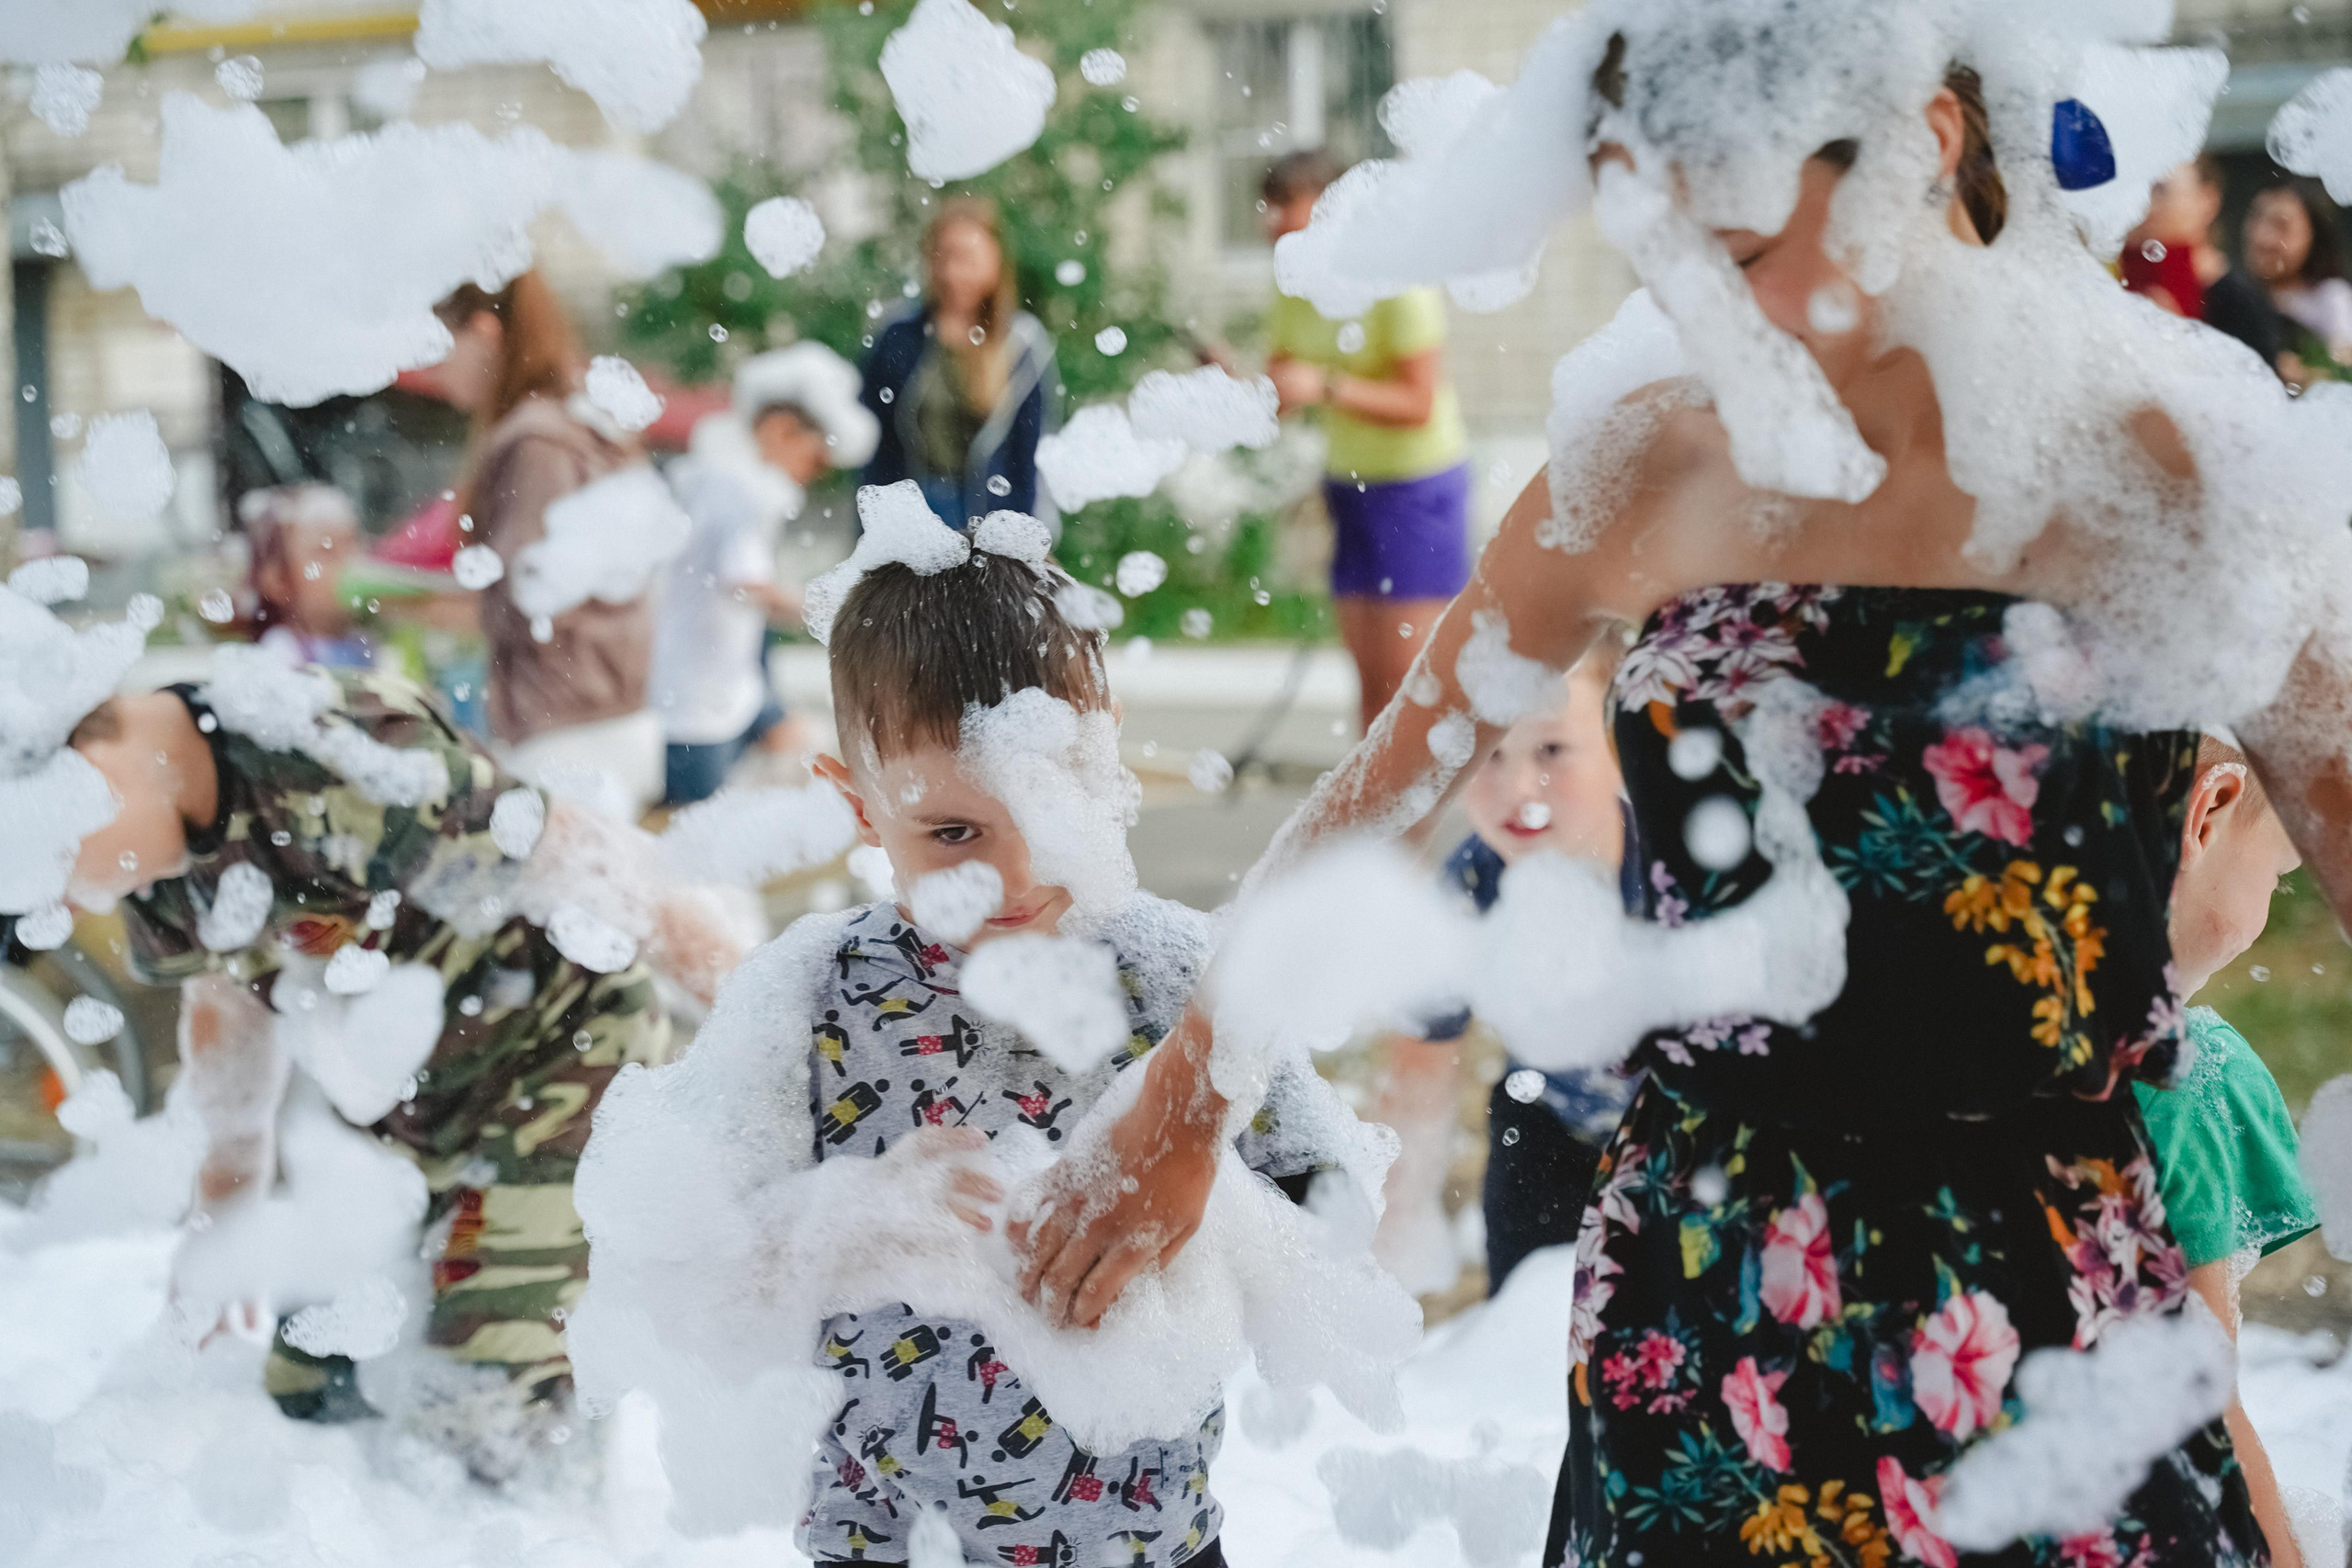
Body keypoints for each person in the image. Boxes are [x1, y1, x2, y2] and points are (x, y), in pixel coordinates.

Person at [1011, 25, 2352, 1567]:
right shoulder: (1649, 467)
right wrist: (1185, 1099)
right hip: (1706, 1299)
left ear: (1921, 143)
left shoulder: (2178, 476)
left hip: (2044, 1305)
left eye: (1741, 249)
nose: (1700, 308)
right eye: (1659, 254)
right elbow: (1379, 798)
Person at [9, 581, 741, 1478]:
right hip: (412, 1110)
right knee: (316, 1387)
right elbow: (228, 999)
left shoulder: (339, 754)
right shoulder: (150, 860)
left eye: (59, 866)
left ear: (90, 761)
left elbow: (608, 869)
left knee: (484, 1423)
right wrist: (223, 1210)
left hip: (559, 1061)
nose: (78, 898)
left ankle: (579, 1484)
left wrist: (776, 1031)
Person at [782, 541, 1346, 1568]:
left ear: (1103, 756)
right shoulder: (815, 995)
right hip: (885, 1539)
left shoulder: (1183, 977)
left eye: (1048, 805)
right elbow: (699, 1258)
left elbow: (1328, 1202)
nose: (1016, 873)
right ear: (858, 805)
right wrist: (848, 1221)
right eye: (953, 834)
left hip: (1143, 1537)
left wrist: (1226, 1220)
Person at [1368, 651, 1641, 1297]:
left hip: (1683, 1131)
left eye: (1552, 750)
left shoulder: (1677, 868)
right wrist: (1394, 1230)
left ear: (1621, 748)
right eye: (1488, 754)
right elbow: (1419, 1074)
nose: (1518, 789)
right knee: (1526, 1314)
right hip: (1550, 1127)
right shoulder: (1471, 885)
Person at [2141, 733, 2322, 1568]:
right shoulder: (2182, 1079)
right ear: (2208, 812)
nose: (2268, 911)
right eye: (2279, 874)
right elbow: (2200, 1403)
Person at [435, 273, 666, 814]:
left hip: (564, 730)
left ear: (485, 332)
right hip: (614, 714)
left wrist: (404, 602)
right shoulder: (585, 421)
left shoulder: (536, 440)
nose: (434, 366)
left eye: (440, 344)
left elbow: (532, 600)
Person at [1261, 149, 1475, 737]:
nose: (1272, 222)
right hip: (1349, 488)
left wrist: (1326, 385)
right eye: (1269, 207)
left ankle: (1424, 799)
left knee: (1412, 689)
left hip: (1417, 490)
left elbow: (1418, 403)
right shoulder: (1293, 282)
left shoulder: (1397, 281)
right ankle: (1370, 801)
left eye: (1287, 207)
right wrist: (1231, 391)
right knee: (1370, 687)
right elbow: (1282, 395)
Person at [652, 344, 879, 807]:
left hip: (723, 689)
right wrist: (850, 611)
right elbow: (751, 589)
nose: (813, 474)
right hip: (694, 704)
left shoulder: (721, 479)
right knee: (694, 826)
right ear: (780, 431)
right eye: (815, 458)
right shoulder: (733, 490)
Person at [859, 198, 1058, 531]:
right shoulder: (896, 336)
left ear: (995, 260)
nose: (952, 272)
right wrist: (872, 527)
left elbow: (1029, 459)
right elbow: (871, 442)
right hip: (908, 520)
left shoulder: (1023, 345)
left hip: (991, 521)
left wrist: (1023, 539)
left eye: (966, 257)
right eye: (942, 257)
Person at [238, 484, 373, 670]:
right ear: (280, 581)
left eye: (353, 543)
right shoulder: (281, 651)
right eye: (325, 550)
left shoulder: (365, 643)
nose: (347, 562)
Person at [2241, 178, 2352, 386]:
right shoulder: (2236, 295)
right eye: (2256, 218)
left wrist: (2297, 372)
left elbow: (2344, 370)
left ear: (2315, 235)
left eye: (2281, 226)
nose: (2261, 238)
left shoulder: (2331, 298)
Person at [2121, 156, 2228, 321]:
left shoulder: (2231, 299)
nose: (2145, 204)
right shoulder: (2117, 273)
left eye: (2160, 190)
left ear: (2207, 200)